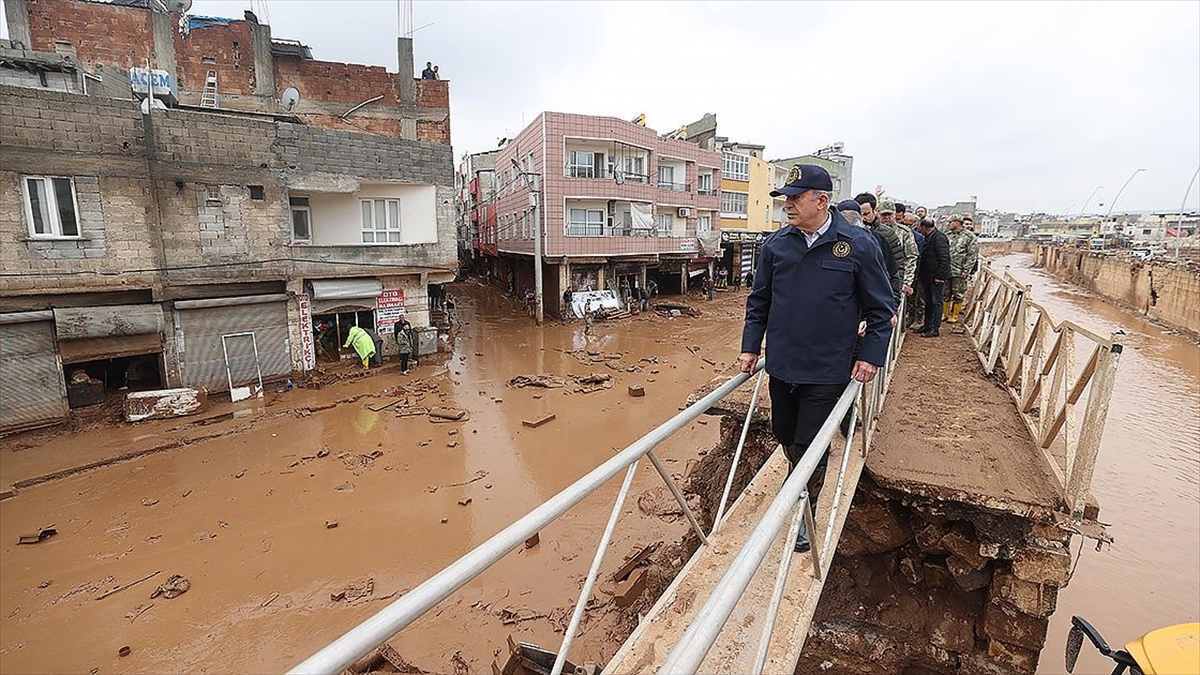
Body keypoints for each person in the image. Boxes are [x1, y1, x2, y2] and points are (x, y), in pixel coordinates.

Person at [739, 165, 894, 553]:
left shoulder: (857, 244)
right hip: (783, 365)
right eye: (786, 199)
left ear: (821, 201)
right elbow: (759, 302)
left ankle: (804, 511)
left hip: (827, 369)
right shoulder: (776, 245)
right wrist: (750, 346)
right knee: (785, 433)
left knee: (811, 444)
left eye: (795, 198)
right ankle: (797, 477)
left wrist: (871, 357)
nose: (787, 205)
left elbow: (881, 310)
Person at [838, 199, 901, 307]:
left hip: (868, 305)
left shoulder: (874, 240)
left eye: (853, 216)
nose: (848, 220)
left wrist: (892, 304)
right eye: (844, 216)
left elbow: (891, 273)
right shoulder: (828, 241)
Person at [916, 218, 951, 337]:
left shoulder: (939, 238)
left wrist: (940, 276)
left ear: (923, 227)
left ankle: (934, 328)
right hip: (928, 276)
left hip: (936, 277)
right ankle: (927, 325)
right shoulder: (930, 237)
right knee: (929, 302)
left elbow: (944, 259)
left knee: (936, 302)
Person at [945, 215, 980, 323]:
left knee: (958, 293)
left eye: (951, 222)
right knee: (945, 293)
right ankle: (944, 314)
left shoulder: (969, 237)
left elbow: (972, 255)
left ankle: (955, 315)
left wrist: (966, 270)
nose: (949, 224)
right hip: (946, 269)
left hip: (959, 270)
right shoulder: (947, 235)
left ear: (957, 223)